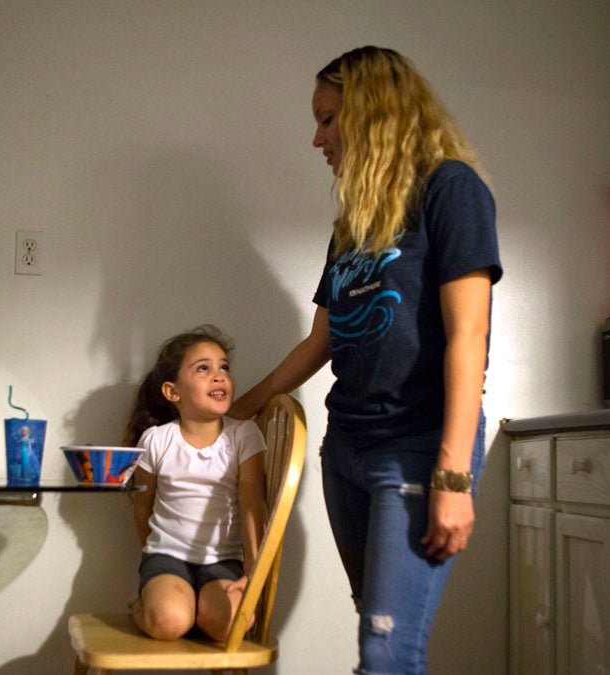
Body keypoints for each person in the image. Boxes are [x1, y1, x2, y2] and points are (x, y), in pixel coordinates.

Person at [229, 46, 502, 674]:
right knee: (378, 636)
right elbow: (320, 341)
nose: (317, 137)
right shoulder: (353, 221)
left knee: (386, 652)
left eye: (328, 119)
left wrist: (453, 476)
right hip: (346, 450)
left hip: (416, 447)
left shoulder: (451, 189)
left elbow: (469, 340)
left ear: (374, 111)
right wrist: (241, 412)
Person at [124, 324, 269, 643]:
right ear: (172, 392)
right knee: (169, 623)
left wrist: (255, 572)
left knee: (229, 627)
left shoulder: (244, 435)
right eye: (203, 368)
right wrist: (157, 551)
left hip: (223, 560)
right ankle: (146, 605)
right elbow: (142, 506)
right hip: (166, 557)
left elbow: (252, 506)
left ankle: (195, 606)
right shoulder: (157, 439)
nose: (219, 376)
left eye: (224, 368)